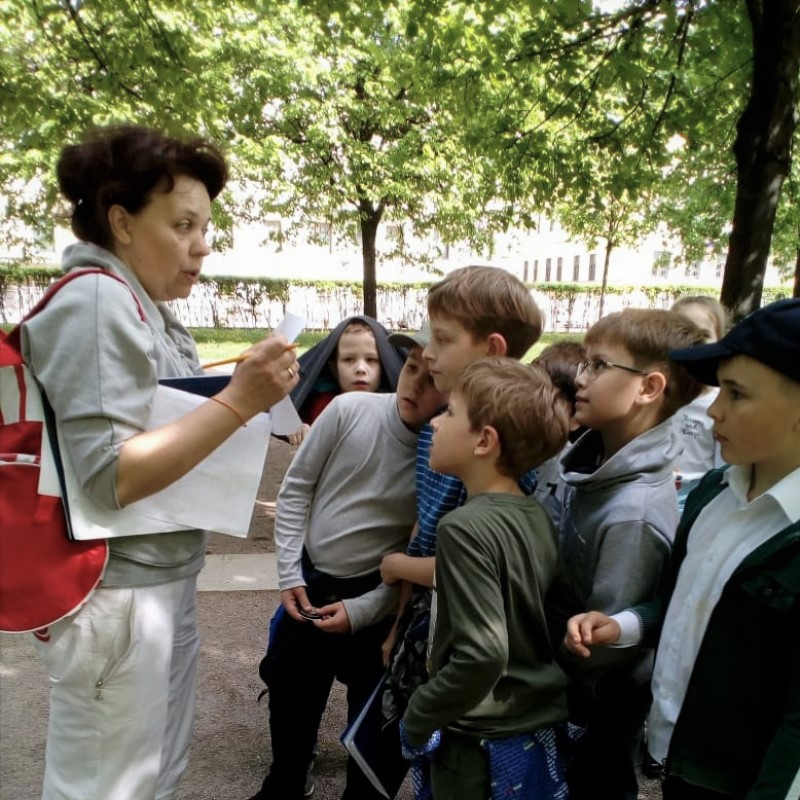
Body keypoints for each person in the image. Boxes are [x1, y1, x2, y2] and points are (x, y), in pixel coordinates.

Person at [19, 124, 299, 800]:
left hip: (156, 578)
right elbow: (110, 475)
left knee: (149, 779)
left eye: (205, 226)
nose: (202, 244)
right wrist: (239, 401)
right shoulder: (96, 301)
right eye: (182, 224)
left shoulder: (147, 307)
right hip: (117, 593)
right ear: (120, 221)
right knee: (106, 788)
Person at [565, 298, 800, 800]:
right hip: (679, 755)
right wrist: (623, 624)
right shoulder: (714, 493)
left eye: (736, 395)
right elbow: (678, 603)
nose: (714, 410)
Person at [249, 337, 445, 800]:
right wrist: (290, 574)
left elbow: (425, 557)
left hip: (382, 597)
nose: (413, 383)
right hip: (314, 584)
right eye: (411, 366)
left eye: (433, 378)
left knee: (374, 722)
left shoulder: (445, 454)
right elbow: (295, 491)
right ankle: (286, 782)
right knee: (291, 690)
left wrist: (365, 610)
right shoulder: (348, 409)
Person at [546, 308, 706, 800]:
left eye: (598, 365)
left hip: (595, 700)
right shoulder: (593, 451)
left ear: (649, 388)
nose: (580, 376)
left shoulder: (634, 512)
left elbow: (605, 644)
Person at [379, 266, 544, 725]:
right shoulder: (443, 424)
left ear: (492, 349)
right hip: (423, 617)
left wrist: (396, 567)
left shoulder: (504, 449)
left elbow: (473, 567)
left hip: (461, 637)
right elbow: (425, 523)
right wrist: (398, 622)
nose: (428, 354)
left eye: (443, 340)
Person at [401, 358, 572, 800]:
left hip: (475, 743)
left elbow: (482, 655)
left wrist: (419, 713)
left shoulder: (462, 528)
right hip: (531, 725)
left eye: (450, 413)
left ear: (484, 441)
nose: (436, 424)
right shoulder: (535, 512)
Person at [289, 315, 405, 438]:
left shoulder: (395, 412)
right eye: (349, 359)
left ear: (384, 366)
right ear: (334, 368)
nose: (360, 369)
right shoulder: (319, 408)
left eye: (371, 360)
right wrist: (301, 430)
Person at [670, 296, 728, 511]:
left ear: (719, 341)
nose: (694, 344)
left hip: (695, 500)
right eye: (684, 333)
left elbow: (722, 470)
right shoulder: (659, 395)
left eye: (704, 335)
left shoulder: (719, 405)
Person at [532, 339, 587, 528]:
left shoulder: (572, 473)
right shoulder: (514, 450)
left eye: (551, 398)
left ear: (575, 418)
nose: (534, 403)